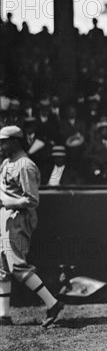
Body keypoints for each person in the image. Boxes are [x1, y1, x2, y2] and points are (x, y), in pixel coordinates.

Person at [0, 126, 64, 327]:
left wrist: (7, 203)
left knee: (17, 266)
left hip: (19, 217)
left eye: (4, 141)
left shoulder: (25, 165)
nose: (0, 145)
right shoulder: (6, 162)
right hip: (5, 217)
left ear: (16, 141)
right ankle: (4, 315)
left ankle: (53, 303)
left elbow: (32, 200)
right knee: (2, 267)